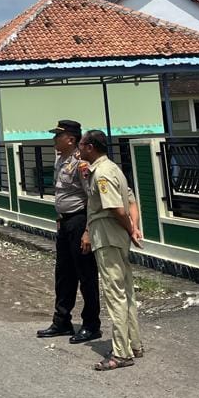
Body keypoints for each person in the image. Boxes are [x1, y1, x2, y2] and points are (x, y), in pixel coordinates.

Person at [79, 129, 144, 371]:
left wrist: (129, 228)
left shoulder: (103, 174)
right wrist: (134, 228)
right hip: (117, 237)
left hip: (107, 236)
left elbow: (117, 208)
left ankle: (121, 352)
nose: (80, 149)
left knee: (114, 294)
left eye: (83, 145)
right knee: (126, 292)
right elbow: (131, 201)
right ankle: (133, 344)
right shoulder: (112, 169)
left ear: (91, 147)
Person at [37, 120, 101, 343]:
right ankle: (61, 321)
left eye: (58, 136)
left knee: (86, 275)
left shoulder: (80, 163)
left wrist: (87, 231)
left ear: (70, 139)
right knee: (63, 274)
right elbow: (61, 192)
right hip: (65, 223)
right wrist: (59, 218)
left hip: (79, 222)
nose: (54, 139)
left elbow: (91, 198)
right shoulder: (60, 159)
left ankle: (92, 324)